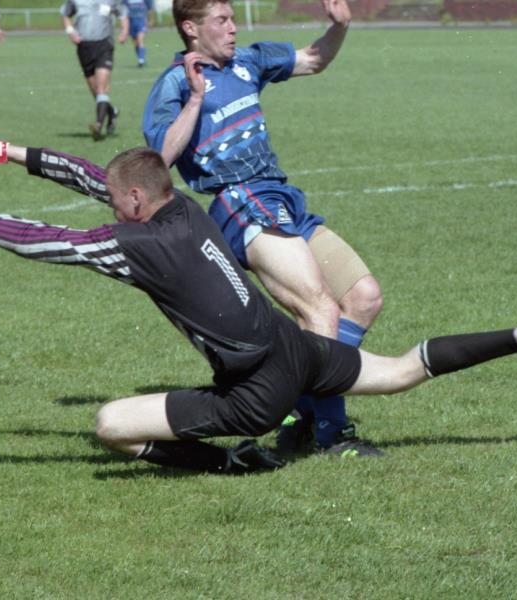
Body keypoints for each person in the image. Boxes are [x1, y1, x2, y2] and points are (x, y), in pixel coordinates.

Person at [0, 142, 517, 475]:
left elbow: (42, 242)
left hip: (254, 394)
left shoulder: (136, 246)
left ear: (133, 201)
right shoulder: (181, 209)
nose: (108, 201)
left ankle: (228, 464)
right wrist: (8, 153)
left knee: (110, 425)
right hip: (295, 348)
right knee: (399, 371)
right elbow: (91, 176)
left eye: (115, 198)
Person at [142, 0, 381, 454]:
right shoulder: (175, 83)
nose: (233, 28)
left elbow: (314, 59)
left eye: (232, 18)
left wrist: (340, 26)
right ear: (191, 28)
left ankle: (298, 403)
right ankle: (333, 435)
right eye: (222, 21)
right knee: (319, 310)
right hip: (239, 203)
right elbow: (160, 160)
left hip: (281, 198)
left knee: (364, 298)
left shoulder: (249, 60)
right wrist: (196, 98)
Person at [60, 0, 130, 141]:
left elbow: (123, 14)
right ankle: (112, 112)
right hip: (84, 47)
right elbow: (65, 14)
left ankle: (98, 124)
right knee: (95, 92)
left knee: (101, 89)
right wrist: (70, 31)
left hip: (104, 45)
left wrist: (124, 31)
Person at [125, 0, 155, 67]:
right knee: (135, 42)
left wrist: (151, 20)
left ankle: (141, 60)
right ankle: (140, 58)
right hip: (131, 21)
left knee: (140, 40)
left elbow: (150, 9)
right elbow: (123, 9)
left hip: (141, 20)